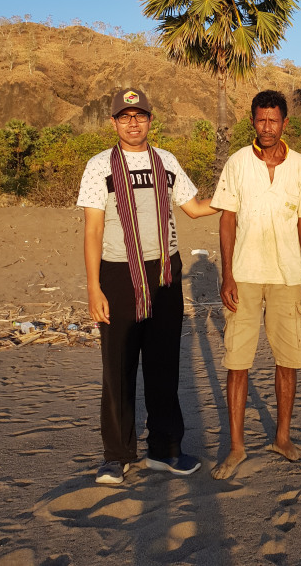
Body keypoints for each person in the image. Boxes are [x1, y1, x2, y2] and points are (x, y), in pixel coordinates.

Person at [77, 88, 218, 485]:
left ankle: (165, 449)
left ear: (151, 120)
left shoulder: (166, 162)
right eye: (125, 116)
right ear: (113, 123)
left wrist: (236, 194)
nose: (133, 123)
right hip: (118, 274)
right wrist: (93, 287)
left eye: (140, 116)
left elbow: (193, 208)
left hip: (164, 274)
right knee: (118, 366)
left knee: (163, 364)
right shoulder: (99, 166)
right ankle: (116, 455)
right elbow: (91, 230)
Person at [210, 89, 301, 479]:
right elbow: (226, 219)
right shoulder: (238, 163)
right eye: (260, 120)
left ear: (285, 123)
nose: (267, 127)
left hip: (289, 275)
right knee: (238, 362)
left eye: (274, 120)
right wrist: (226, 275)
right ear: (252, 121)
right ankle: (237, 447)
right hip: (245, 274)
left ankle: (282, 438)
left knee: (287, 360)